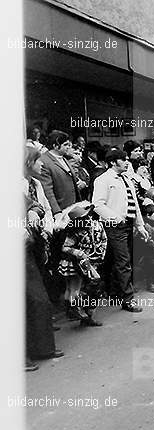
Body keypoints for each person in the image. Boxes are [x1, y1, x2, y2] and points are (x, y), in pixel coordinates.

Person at [92, 148, 148, 313]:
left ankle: (114, 293)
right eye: (122, 160)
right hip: (113, 226)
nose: (126, 162)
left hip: (128, 225)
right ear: (112, 162)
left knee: (119, 261)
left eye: (126, 159)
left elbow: (134, 204)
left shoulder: (127, 179)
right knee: (123, 262)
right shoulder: (103, 180)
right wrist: (115, 218)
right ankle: (127, 299)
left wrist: (140, 225)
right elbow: (97, 204)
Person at [24, 145, 62, 371]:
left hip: (34, 244)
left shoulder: (34, 184)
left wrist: (43, 225)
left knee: (39, 297)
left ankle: (42, 348)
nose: (41, 165)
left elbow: (41, 207)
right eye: (38, 161)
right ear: (28, 162)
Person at [55, 201, 106, 326]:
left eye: (87, 216)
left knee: (90, 287)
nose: (87, 219)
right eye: (83, 218)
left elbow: (104, 239)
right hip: (80, 264)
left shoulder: (98, 225)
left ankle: (82, 313)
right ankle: (81, 313)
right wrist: (78, 253)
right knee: (78, 288)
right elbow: (65, 247)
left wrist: (101, 254)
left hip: (94, 261)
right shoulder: (75, 232)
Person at [37, 130, 82, 216]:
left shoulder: (63, 158)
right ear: (55, 146)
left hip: (73, 208)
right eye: (65, 145)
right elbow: (47, 191)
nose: (69, 147)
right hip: (61, 210)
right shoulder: (44, 162)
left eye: (69, 144)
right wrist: (57, 212)